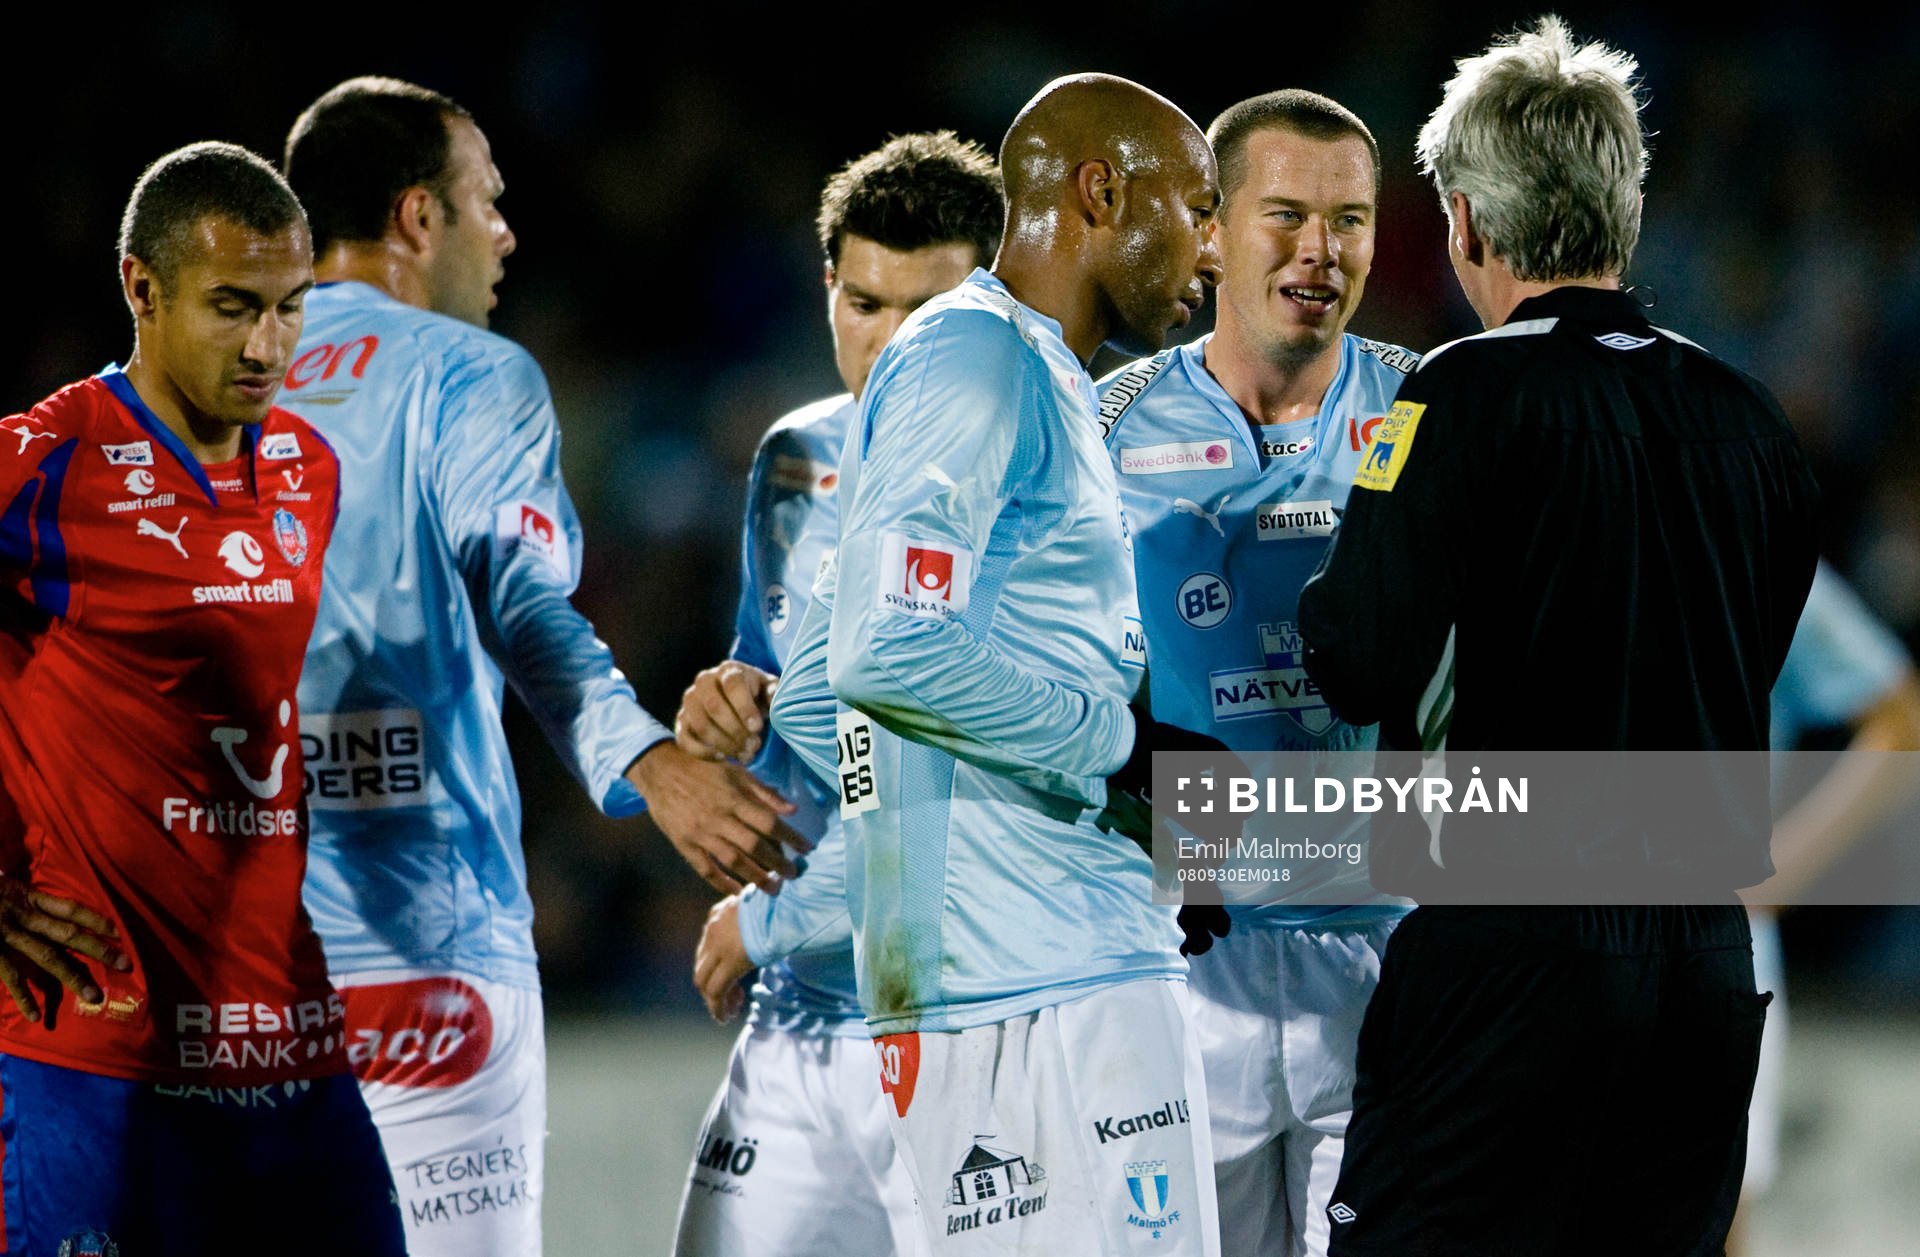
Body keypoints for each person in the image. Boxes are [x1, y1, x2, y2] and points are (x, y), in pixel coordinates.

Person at [1296, 17, 1820, 1257]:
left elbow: (1358, 654)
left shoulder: (1462, 391)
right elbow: (1761, 647)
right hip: (1701, 956)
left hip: (1512, 946)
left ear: (1469, 222)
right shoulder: (1750, 419)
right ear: (1621, 213)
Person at [279, 77, 803, 1255]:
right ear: (420, 219)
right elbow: (518, 598)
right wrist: (648, 760)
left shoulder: (195, 384)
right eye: (488, 202)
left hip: (227, 967)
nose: (507, 234)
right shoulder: (474, 376)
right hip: (432, 960)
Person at [768, 73, 1226, 1256]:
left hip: (974, 981)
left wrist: (951, 825)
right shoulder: (981, 359)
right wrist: (1119, 756)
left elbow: (821, 686)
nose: (1212, 250)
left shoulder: (998, 368)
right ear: (1100, 191)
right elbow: (887, 650)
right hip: (1054, 986)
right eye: (1197, 208)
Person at [0, 142, 404, 1254]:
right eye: (233, 308)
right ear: (143, 287)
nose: (269, 345)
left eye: (291, 308)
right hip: (94, 1055)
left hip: (288, 1041)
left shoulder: (308, 469)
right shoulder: (42, 464)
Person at [669, 130, 1003, 1257]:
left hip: (973, 1032)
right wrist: (733, 702)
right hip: (800, 1015)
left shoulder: (1049, 482)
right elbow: (776, 672)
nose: (892, 344)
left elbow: (987, 794)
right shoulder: (797, 455)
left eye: (932, 314)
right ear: (828, 291)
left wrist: (764, 920)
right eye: (865, 304)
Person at [1095, 89, 1414, 1257]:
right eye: (1285, 214)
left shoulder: (1435, 408)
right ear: (1210, 229)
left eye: (1353, 220)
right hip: (1179, 956)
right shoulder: (1104, 424)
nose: (1321, 251)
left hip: (1388, 958)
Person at [1731, 562, 1920, 1249]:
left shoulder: (1758, 547)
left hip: (1717, 945)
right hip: (1552, 932)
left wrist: (1780, 871)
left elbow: (1898, 718)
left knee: (1716, 1217)